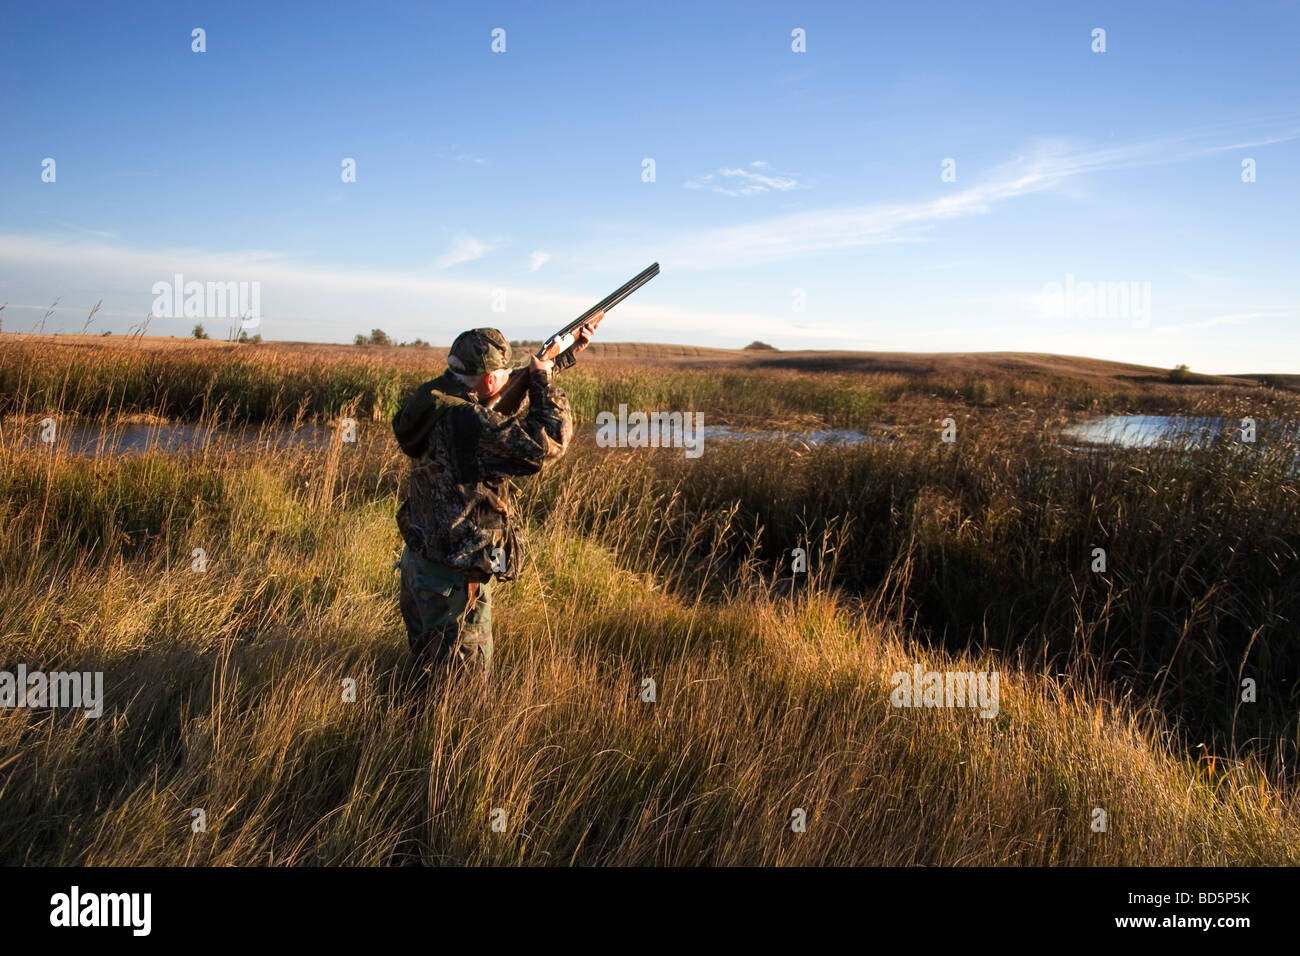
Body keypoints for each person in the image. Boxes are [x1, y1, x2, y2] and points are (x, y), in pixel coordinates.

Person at [391, 321, 596, 683]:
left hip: (420, 567)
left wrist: (558, 359)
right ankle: (446, 741)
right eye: (504, 373)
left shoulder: (434, 399)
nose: (510, 377)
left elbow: (495, 408)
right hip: (455, 583)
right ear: (488, 381)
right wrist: (544, 382)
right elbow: (548, 440)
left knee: (426, 676)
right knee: (459, 698)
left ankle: (410, 733)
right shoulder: (468, 420)